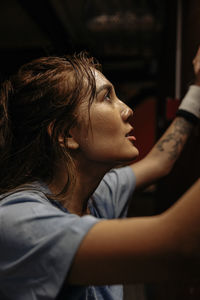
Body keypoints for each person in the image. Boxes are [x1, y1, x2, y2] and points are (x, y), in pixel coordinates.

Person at [0, 47, 200, 300]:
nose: (128, 109)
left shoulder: (94, 194)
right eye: (107, 98)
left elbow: (160, 161)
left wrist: (198, 90)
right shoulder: (18, 221)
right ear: (66, 135)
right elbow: (179, 247)